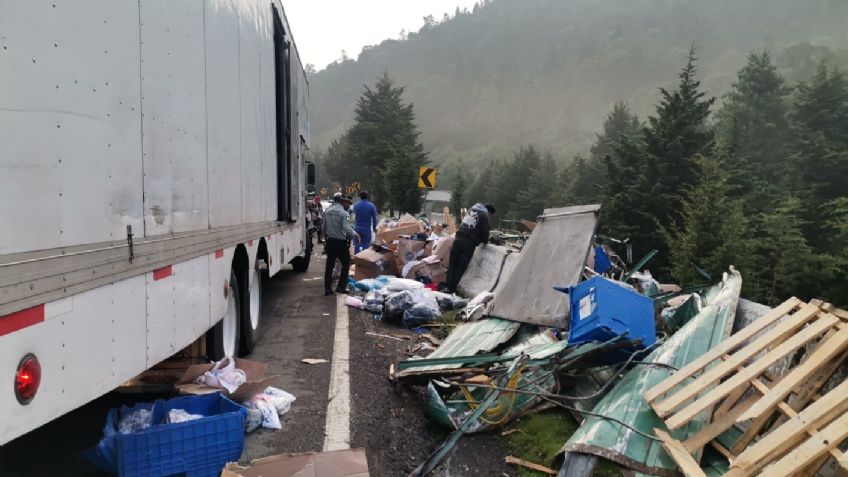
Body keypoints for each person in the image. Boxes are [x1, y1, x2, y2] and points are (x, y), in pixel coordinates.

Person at [444, 203, 496, 294]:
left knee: (452, 264)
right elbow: (485, 232)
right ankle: (453, 289)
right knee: (461, 267)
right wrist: (485, 240)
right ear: (489, 212)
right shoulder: (484, 215)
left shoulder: (471, 210)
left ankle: (447, 287)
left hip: (458, 239)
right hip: (468, 243)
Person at [322, 194, 359, 296]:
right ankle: (341, 287)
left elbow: (323, 227)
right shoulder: (344, 213)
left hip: (330, 242)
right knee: (346, 263)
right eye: (348, 203)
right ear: (343, 202)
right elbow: (346, 227)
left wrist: (325, 237)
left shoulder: (328, 211)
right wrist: (355, 234)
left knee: (329, 266)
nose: (349, 205)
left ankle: (327, 289)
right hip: (340, 243)